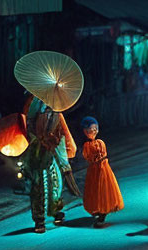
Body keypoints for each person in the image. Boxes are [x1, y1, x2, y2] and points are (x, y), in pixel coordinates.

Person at [23, 97, 78, 233]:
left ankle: (57, 212)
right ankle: (39, 219)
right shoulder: (33, 104)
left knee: (56, 183)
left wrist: (57, 145)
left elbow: (61, 132)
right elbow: (27, 127)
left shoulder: (56, 110)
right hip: (38, 152)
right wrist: (38, 140)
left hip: (52, 151)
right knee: (38, 186)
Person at [81, 117, 124, 228]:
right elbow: (87, 157)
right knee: (94, 189)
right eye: (92, 129)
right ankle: (97, 209)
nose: (94, 131)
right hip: (93, 170)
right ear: (86, 131)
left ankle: (103, 213)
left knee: (103, 189)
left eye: (96, 128)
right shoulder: (86, 146)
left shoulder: (100, 142)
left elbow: (103, 154)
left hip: (103, 169)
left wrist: (98, 160)